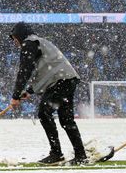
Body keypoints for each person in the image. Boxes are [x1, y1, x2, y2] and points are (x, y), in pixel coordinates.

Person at [8, 22, 88, 165]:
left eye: (15, 39)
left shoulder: (29, 43)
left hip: (60, 81)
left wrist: (15, 96)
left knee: (44, 113)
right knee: (66, 119)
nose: (15, 43)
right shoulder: (39, 42)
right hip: (68, 79)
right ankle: (80, 155)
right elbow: (46, 71)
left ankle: (56, 153)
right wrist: (29, 91)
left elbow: (25, 70)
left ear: (20, 36)